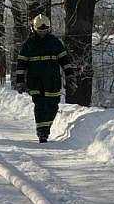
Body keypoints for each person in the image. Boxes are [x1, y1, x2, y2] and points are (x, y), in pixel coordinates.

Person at [15, 14, 76, 142]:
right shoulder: (29, 44)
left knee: (53, 106)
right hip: (35, 82)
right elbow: (21, 64)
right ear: (34, 29)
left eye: (44, 30)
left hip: (53, 81)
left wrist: (69, 75)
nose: (42, 33)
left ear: (48, 29)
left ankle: (46, 127)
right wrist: (20, 81)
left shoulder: (54, 42)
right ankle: (42, 133)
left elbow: (64, 59)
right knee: (40, 105)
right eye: (40, 30)